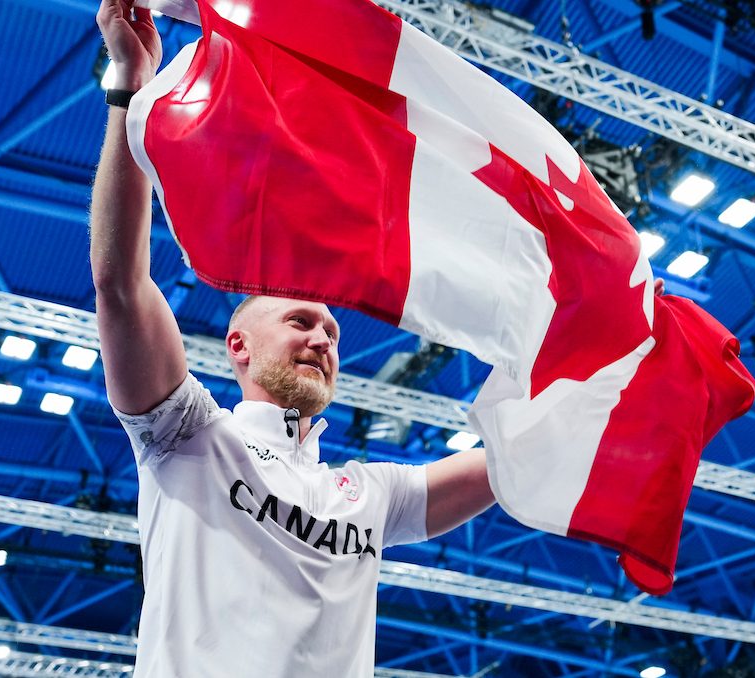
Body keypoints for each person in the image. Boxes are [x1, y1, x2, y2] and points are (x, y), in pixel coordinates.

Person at [90, 1, 496, 675]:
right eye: (301, 321)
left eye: (332, 330)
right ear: (238, 346)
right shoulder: (187, 436)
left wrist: (611, 377)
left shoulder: (370, 493)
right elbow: (121, 285)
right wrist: (130, 84)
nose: (323, 339)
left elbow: (513, 463)